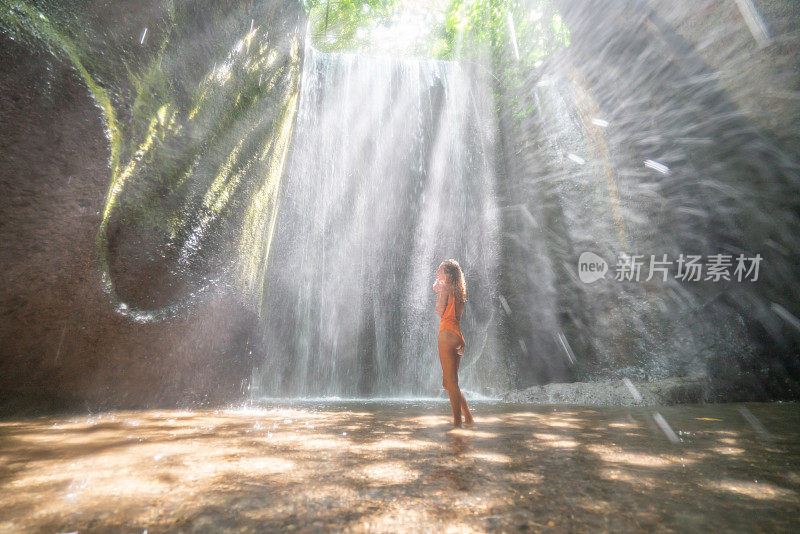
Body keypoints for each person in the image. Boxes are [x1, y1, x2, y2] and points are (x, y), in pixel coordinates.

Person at [433, 259, 474, 428]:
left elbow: (439, 311)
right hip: (458, 337)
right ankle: (469, 418)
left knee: (452, 383)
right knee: (448, 383)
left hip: (446, 335)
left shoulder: (445, 288)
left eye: (440, 270)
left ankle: (457, 424)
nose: (437, 272)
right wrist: (439, 288)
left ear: (448, 274)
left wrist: (438, 293)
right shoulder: (459, 291)